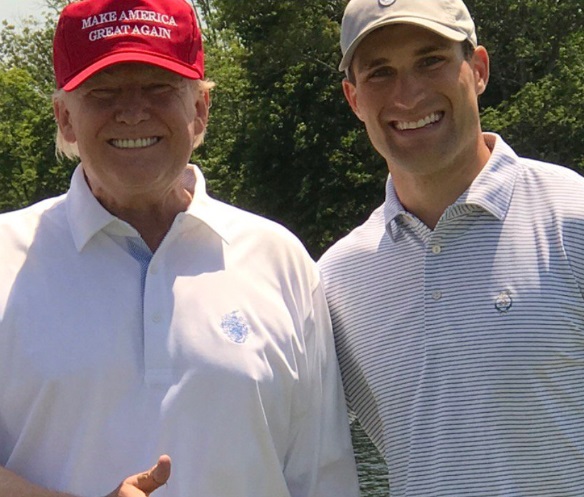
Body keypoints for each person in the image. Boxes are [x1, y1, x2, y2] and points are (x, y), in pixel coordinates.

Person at [0, 0, 360, 496]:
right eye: (103, 92)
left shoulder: (280, 259)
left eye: (159, 88)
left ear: (200, 109)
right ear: (65, 118)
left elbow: (323, 479)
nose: (132, 111)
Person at [318, 0, 584, 495]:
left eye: (430, 60)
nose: (408, 94)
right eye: (380, 73)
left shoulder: (573, 219)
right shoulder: (335, 280)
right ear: (354, 99)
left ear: (478, 69)